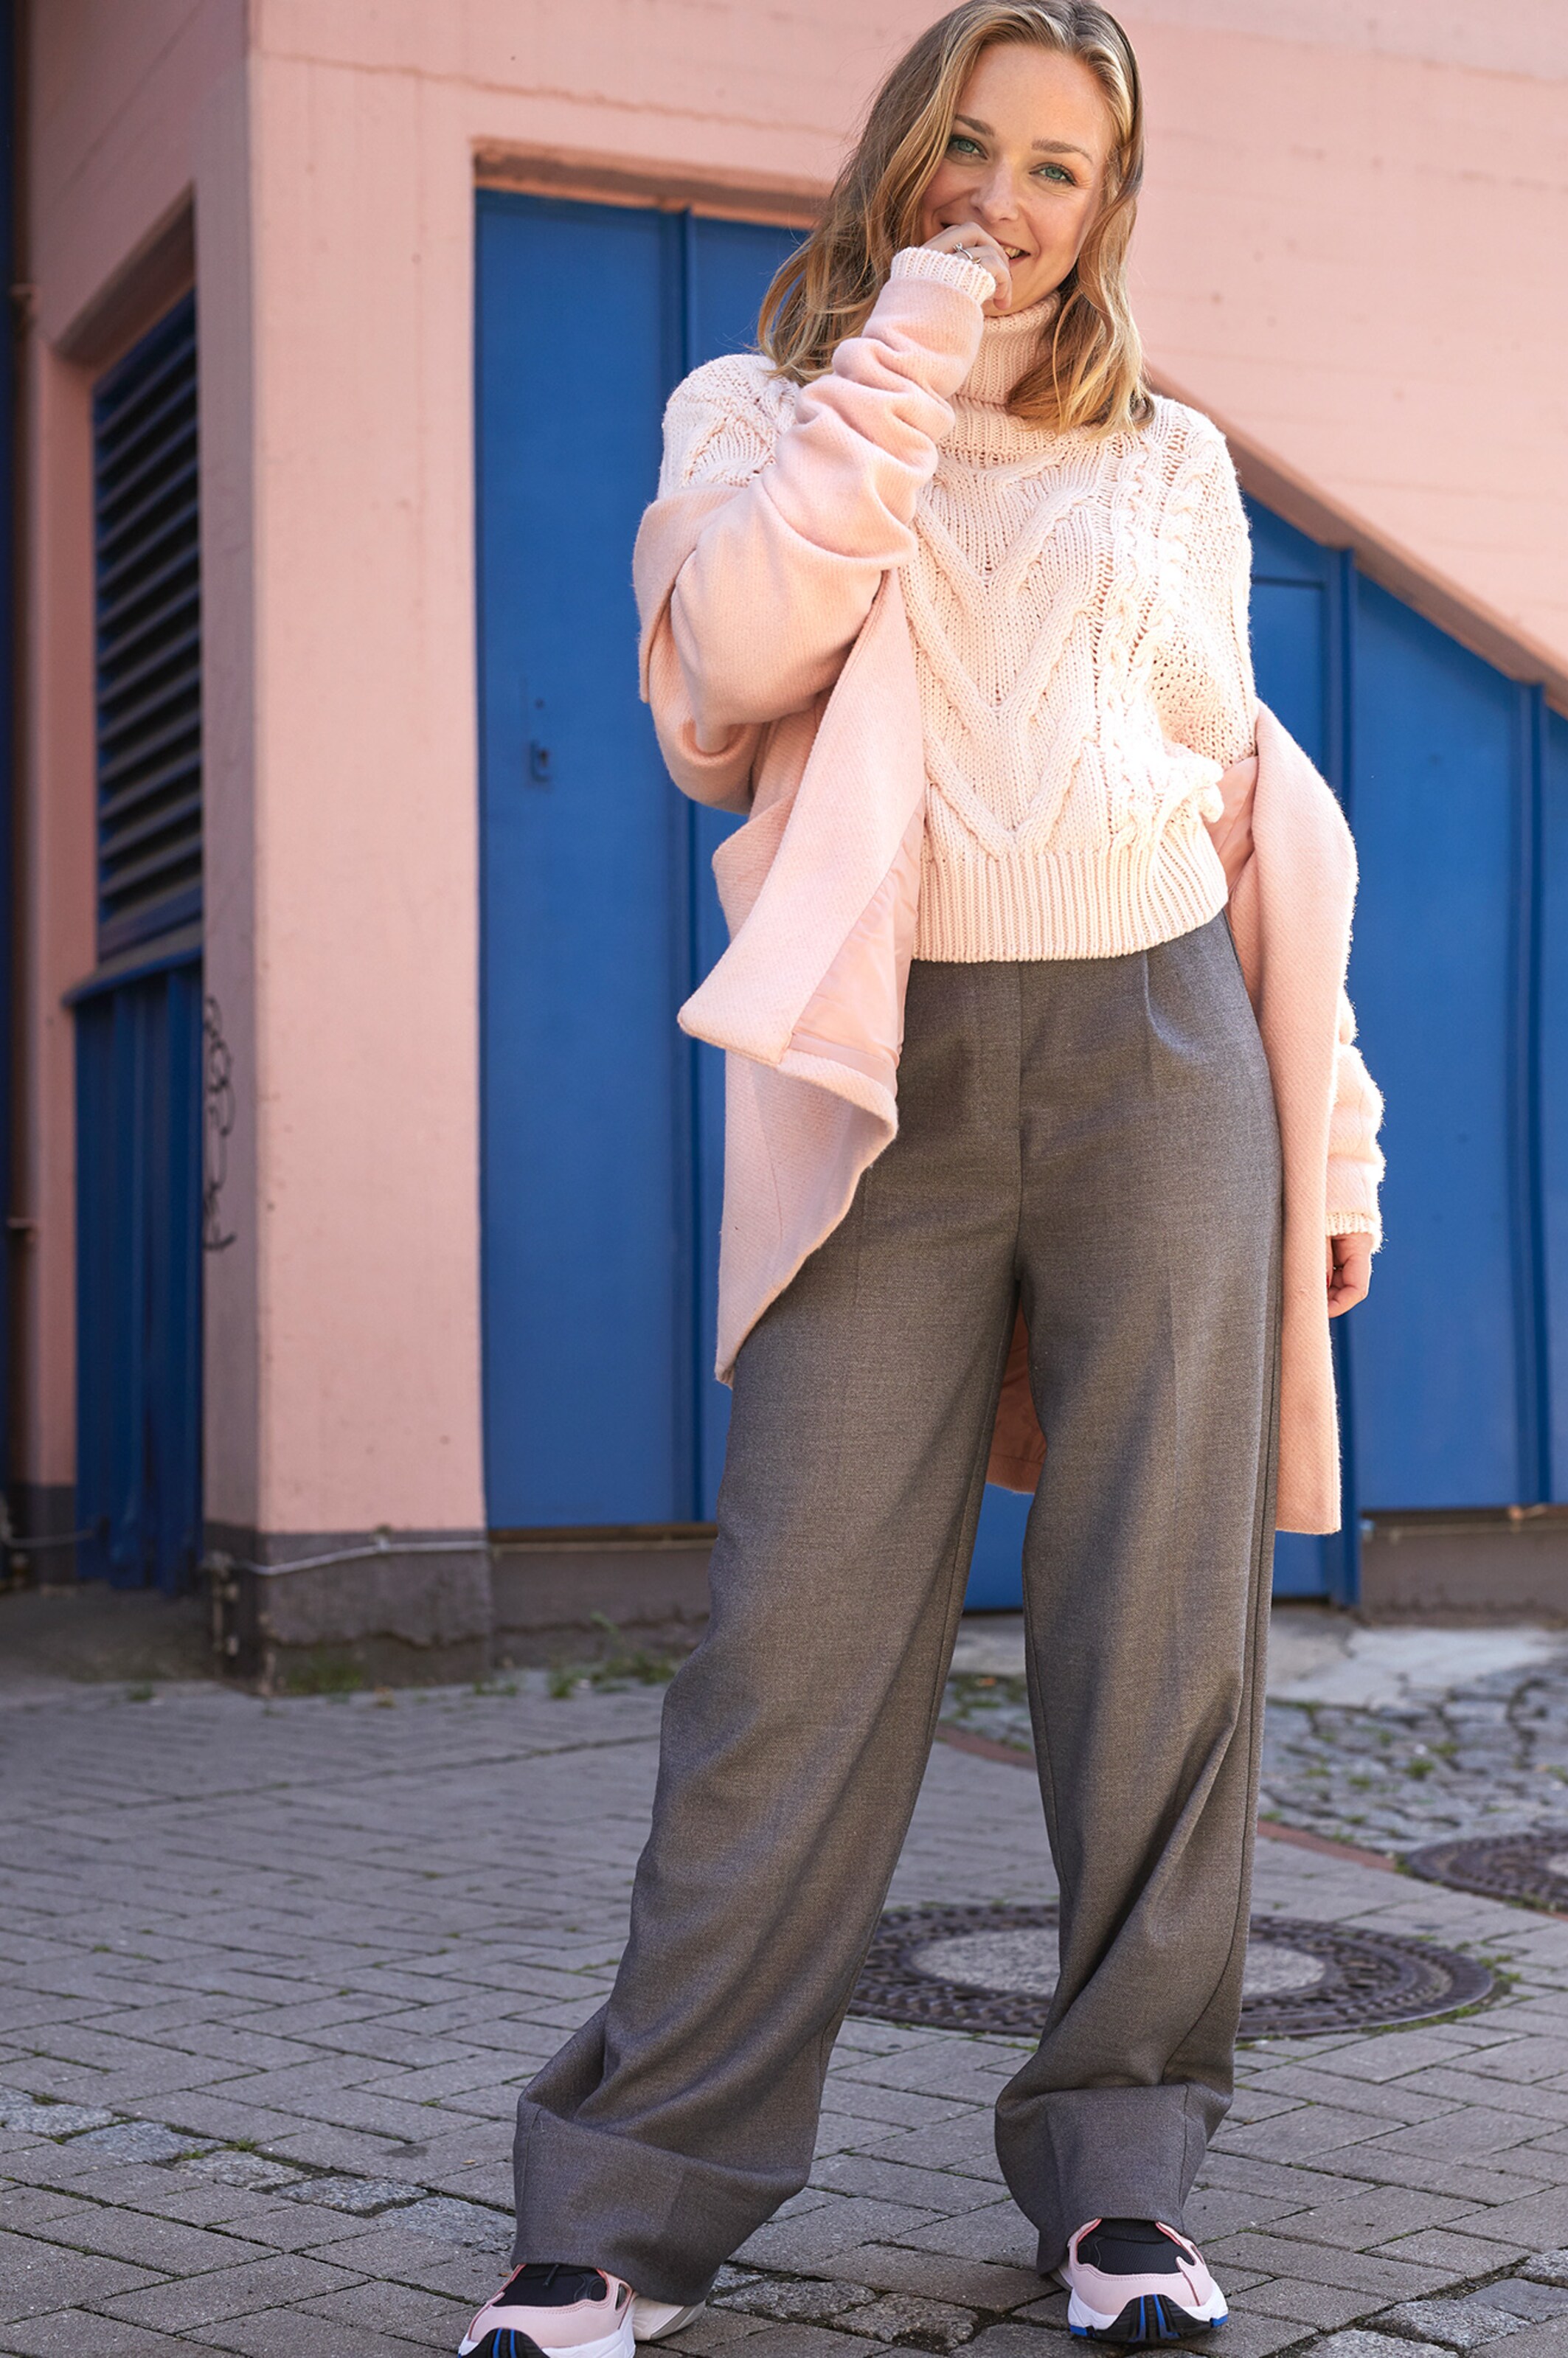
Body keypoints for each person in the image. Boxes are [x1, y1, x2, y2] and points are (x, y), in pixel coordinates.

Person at [461, 5, 1383, 2353]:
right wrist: (908, 355)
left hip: (1165, 1049)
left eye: (1062, 168)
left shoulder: (1171, 459)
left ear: (1113, 206)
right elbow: (733, 666)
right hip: (891, 1073)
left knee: (1158, 1645)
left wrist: (1340, 1129)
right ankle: (625, 2203)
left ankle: (1123, 2183)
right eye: (973, 146)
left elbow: (1241, 801)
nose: (1009, 197)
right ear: (901, 154)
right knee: (789, 1647)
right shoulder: (754, 413)